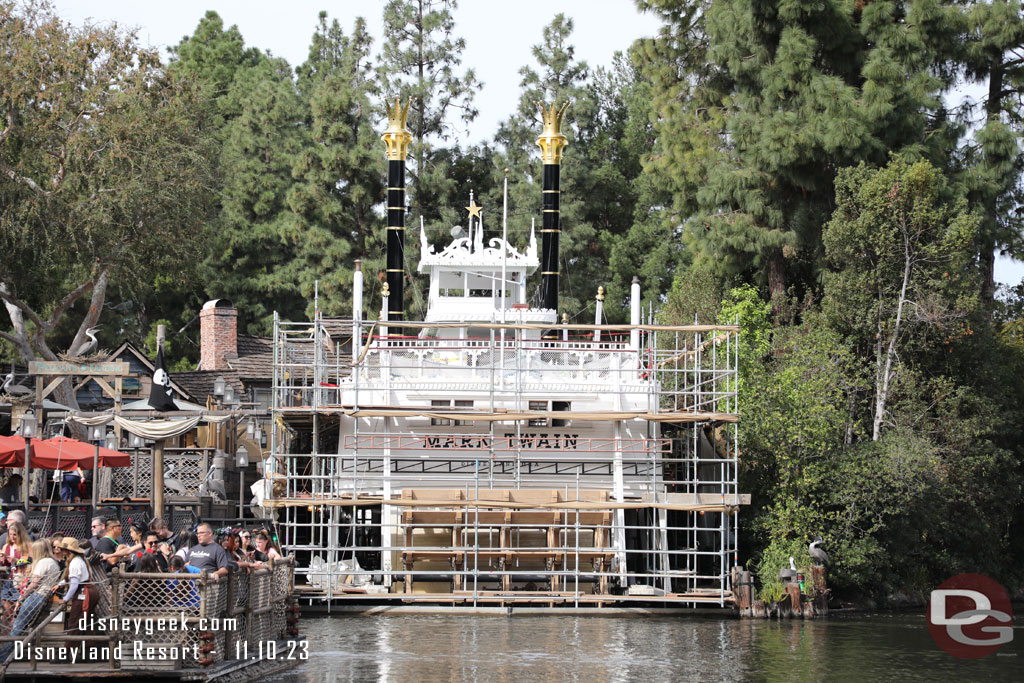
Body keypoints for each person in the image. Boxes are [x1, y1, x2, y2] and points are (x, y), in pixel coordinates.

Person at [0, 539, 61, 659]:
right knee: (20, 628)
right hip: (43, 596)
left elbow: (34, 583)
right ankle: (8, 654)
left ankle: (3, 656)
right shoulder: (53, 562)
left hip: (36, 596)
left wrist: (22, 597)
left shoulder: (43, 562)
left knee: (17, 627)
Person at [55, 537, 98, 655]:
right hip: (90, 589)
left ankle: (67, 653)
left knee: (75, 622)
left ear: (67, 551)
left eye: (63, 549)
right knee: (87, 622)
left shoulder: (74, 562)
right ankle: (89, 652)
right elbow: (74, 579)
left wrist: (65, 599)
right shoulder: (81, 560)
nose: (62, 551)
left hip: (83, 593)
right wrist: (60, 584)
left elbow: (74, 584)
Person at [1, 521, 30, 616]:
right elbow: (4, 564)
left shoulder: (25, 546)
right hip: (8, 579)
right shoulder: (7, 546)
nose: (12, 537)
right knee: (6, 608)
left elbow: (28, 561)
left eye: (15, 535)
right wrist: (3, 559)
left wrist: (16, 560)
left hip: (19, 579)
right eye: (10, 535)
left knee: (16, 609)